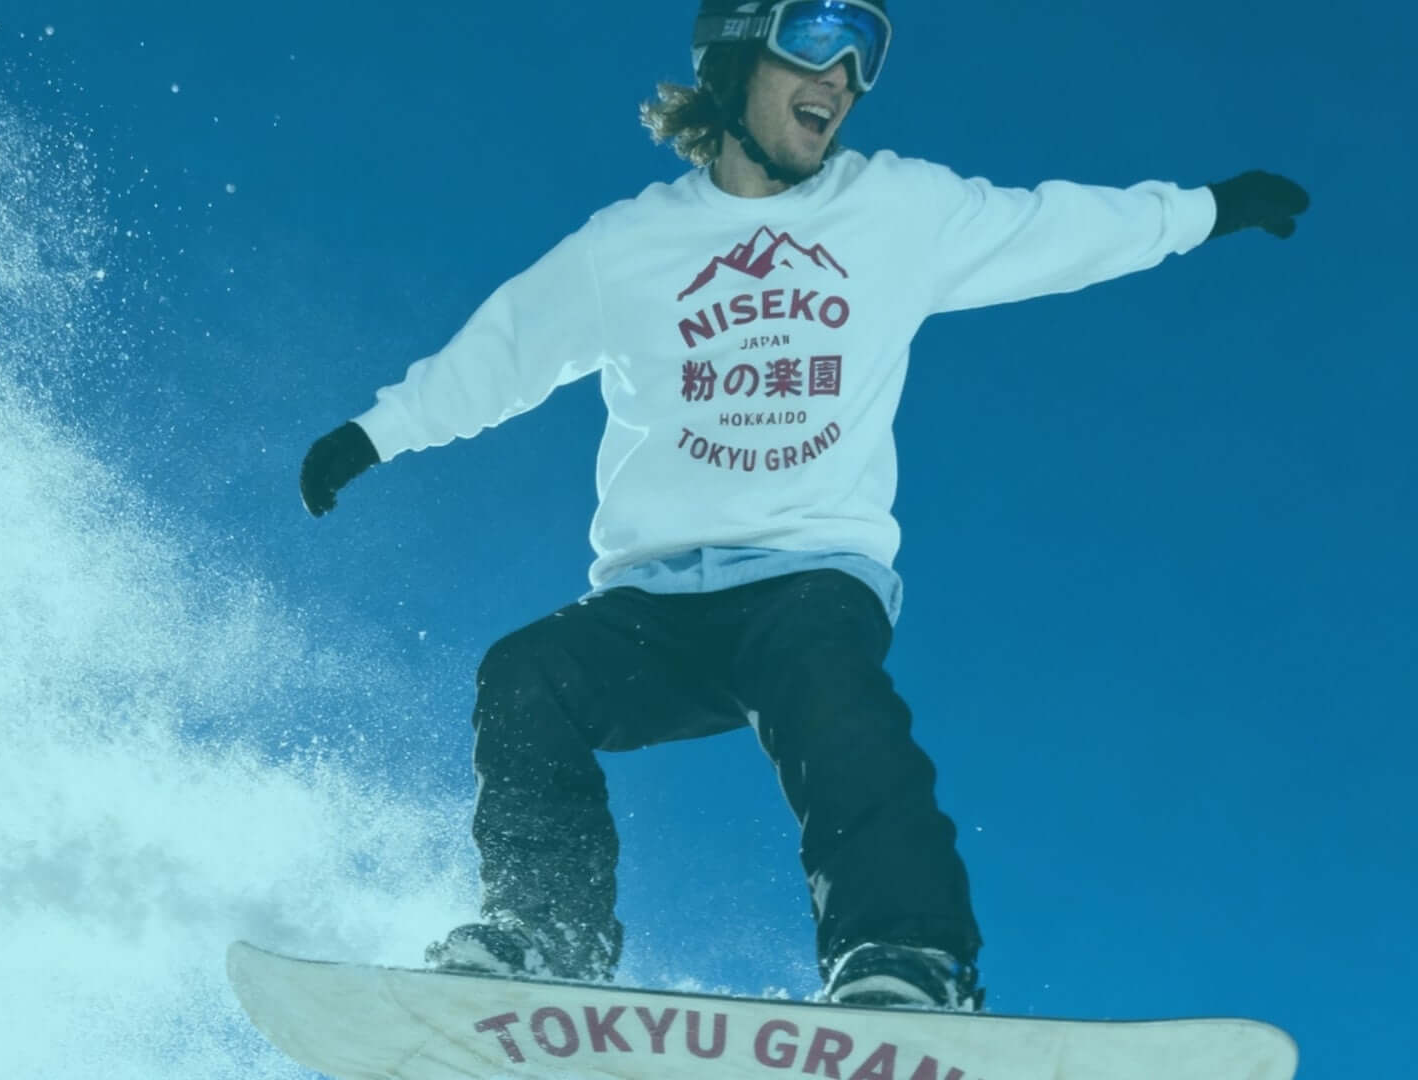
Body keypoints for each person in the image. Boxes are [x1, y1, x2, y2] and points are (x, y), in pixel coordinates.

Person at [297, 0, 1308, 1012]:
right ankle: (548, 933)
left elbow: (1059, 227)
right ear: (734, 60)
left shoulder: (899, 211)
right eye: (816, 42)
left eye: (864, 56)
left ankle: (905, 958)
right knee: (527, 675)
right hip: (656, 601)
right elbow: (505, 347)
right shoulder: (632, 245)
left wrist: (1210, 208)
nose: (843, 77)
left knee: (832, 693)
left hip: (811, 576)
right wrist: (376, 433)